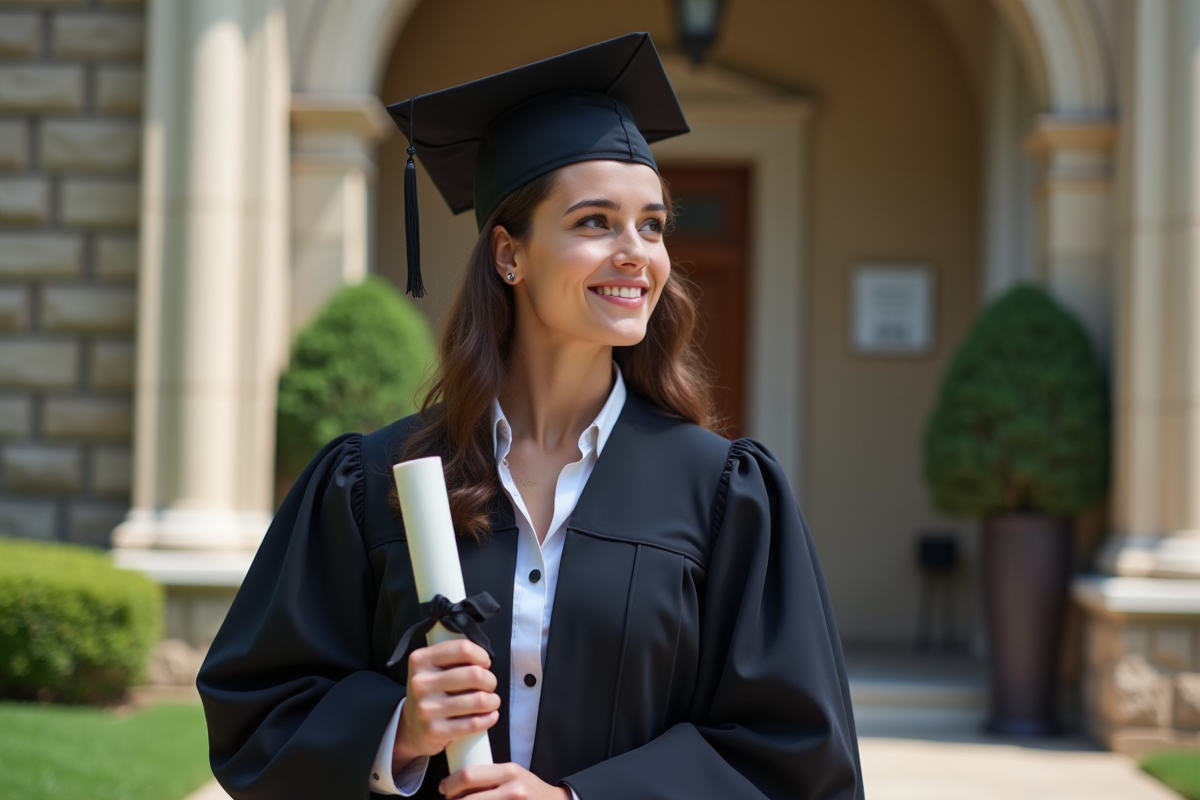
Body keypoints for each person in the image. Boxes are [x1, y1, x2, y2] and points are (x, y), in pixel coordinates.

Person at [198, 33, 864, 800]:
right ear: (509, 255)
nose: (636, 253)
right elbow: (258, 709)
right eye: (594, 223)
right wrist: (400, 733)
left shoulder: (719, 494)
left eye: (652, 225)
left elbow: (797, 758)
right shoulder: (375, 480)